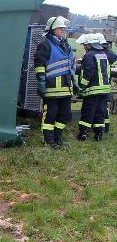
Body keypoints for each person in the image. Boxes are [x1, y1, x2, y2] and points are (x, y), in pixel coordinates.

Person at [34, 16, 77, 147]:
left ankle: (57, 139)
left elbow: (69, 65)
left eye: (63, 28)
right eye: (60, 28)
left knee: (64, 115)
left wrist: (74, 82)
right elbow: (39, 64)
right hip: (51, 89)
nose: (62, 30)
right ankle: (49, 141)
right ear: (53, 29)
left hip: (66, 89)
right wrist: (41, 81)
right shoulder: (45, 44)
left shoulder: (65, 45)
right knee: (50, 116)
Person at [77, 34, 111, 141]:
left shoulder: (89, 55)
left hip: (93, 90)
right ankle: (98, 135)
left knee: (88, 111)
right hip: (104, 90)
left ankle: (83, 134)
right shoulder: (103, 54)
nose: (84, 47)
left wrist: (81, 86)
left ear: (90, 45)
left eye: (85, 44)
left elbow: (88, 73)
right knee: (99, 112)